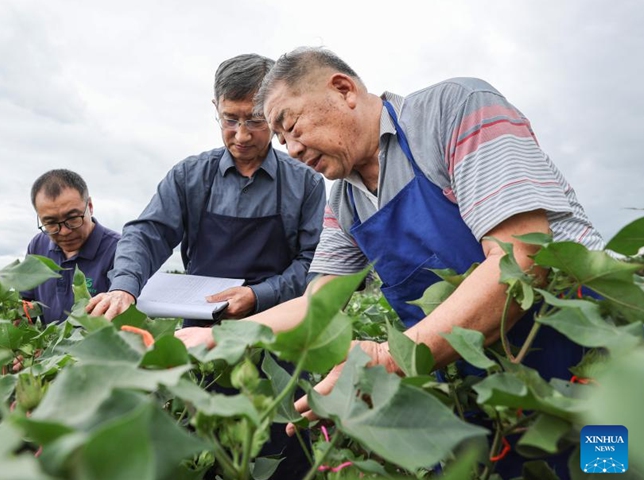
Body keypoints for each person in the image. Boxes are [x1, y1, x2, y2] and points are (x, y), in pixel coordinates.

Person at [176, 47, 604, 478]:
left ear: (343, 89)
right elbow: (316, 303)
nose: (290, 148)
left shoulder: (454, 109)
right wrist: (220, 338)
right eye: (282, 140)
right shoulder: (344, 201)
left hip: (580, 349)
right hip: (469, 374)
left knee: (609, 466)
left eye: (290, 126)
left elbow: (520, 258)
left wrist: (390, 357)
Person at [86, 53, 325, 479]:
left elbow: (315, 264)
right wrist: (124, 285)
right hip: (203, 339)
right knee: (207, 450)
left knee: (283, 453)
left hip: (280, 341)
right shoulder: (189, 176)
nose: (241, 134)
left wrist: (257, 294)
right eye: (229, 119)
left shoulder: (305, 181)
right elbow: (146, 233)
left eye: (254, 120)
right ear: (215, 109)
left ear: (273, 112)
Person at [23, 169, 121, 325]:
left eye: (73, 218)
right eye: (51, 223)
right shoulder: (38, 246)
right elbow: (26, 303)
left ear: (89, 206)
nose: (64, 231)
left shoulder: (119, 250)